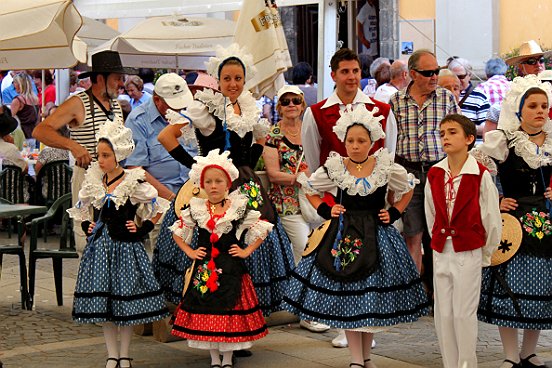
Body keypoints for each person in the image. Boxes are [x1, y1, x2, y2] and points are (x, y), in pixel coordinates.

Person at [156, 44, 295, 320]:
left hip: (245, 184)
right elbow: (166, 137)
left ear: (245, 80)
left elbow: (260, 140)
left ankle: (242, 314)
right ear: (218, 81)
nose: (233, 84)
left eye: (238, 78)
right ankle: (203, 313)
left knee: (251, 236)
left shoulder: (249, 107)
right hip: (212, 186)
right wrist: (197, 166)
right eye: (227, 78)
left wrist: (248, 165)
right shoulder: (205, 108)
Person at [284, 104, 429, 368]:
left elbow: (408, 187)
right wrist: (327, 209)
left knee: (369, 301)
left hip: (377, 236)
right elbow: (309, 187)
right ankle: (355, 360)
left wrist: (394, 212)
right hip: (344, 235)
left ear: (372, 141)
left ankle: (367, 358)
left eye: (361, 140)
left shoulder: (384, 166)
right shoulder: (336, 167)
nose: (355, 145)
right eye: (350, 140)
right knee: (350, 300)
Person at [302, 47, 396, 349]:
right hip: (339, 202)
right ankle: (344, 324)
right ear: (333, 75)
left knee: (370, 263)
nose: (352, 77)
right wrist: (327, 203)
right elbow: (314, 160)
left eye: (356, 71)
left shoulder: (382, 110)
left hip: (370, 201)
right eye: (345, 71)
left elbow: (388, 158)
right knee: (341, 262)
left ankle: (367, 324)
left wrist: (386, 200)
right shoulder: (316, 113)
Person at [67, 118, 170, 368]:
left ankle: (124, 355)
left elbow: (158, 205)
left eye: (105, 155)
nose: (100, 160)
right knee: (105, 307)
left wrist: (142, 227)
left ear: (118, 156)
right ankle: (112, 354)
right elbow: (82, 208)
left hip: (125, 249)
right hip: (101, 249)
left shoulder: (132, 182)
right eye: (98, 155)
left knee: (126, 306)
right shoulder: (94, 181)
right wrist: (86, 225)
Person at [471, 75, 552, 368]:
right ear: (519, 111)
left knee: (541, 288)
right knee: (510, 287)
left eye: (544, 105)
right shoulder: (503, 140)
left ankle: (528, 352)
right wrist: (495, 199)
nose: (540, 111)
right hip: (513, 225)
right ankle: (509, 355)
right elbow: (475, 172)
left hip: (545, 224)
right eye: (533, 106)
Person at [170, 149, 271, 368]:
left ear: (228, 185)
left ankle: (227, 358)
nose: (213, 186)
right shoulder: (197, 208)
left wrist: (245, 251)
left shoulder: (238, 207)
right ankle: (214, 358)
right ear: (202, 185)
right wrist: (190, 252)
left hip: (232, 268)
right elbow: (178, 232)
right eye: (209, 182)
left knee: (230, 314)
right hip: (205, 270)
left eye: (218, 181)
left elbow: (261, 229)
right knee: (207, 311)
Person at [32, 50, 135, 252]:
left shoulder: (115, 104)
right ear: (100, 78)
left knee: (117, 241)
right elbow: (40, 130)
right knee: (87, 239)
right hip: (88, 177)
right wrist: (73, 145)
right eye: (116, 78)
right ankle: (89, 281)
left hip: (115, 180)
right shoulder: (78, 103)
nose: (120, 83)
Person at [424, 114, 501, 368]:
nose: (445, 137)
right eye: (443, 132)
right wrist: (437, 239)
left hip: (469, 249)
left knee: (464, 313)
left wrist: (486, 252)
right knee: (443, 313)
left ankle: (466, 364)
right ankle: (450, 363)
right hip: (441, 249)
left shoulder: (480, 174)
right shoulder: (435, 173)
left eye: (452, 132)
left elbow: (491, 216)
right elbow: (431, 212)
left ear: (469, 139)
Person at [263, 85, 331, 334]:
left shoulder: (311, 130)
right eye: (286, 101)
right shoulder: (273, 135)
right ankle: (306, 311)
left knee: (316, 252)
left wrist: (313, 178)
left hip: (314, 200)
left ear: (302, 105)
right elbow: (272, 174)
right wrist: (297, 178)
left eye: (296, 101)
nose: (291, 105)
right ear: (279, 106)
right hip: (288, 203)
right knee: (304, 251)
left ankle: (313, 305)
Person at [389, 49, 460, 282]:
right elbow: (390, 139)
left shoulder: (446, 98)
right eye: (428, 72)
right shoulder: (396, 101)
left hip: (439, 172)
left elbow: (459, 135)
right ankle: (414, 294)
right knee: (413, 233)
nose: (434, 77)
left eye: (436, 71)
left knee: (440, 233)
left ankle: (437, 288)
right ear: (412, 74)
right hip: (407, 173)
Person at [125, 72, 195, 247]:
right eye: (173, 105)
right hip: (162, 198)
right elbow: (135, 168)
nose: (178, 109)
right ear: (157, 100)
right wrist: (172, 198)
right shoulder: (138, 120)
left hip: (194, 195)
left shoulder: (189, 115)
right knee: (166, 255)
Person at [485, 40, 548, 136]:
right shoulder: (514, 91)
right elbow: (490, 139)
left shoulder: (549, 87)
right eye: (531, 61)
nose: (538, 65)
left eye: (541, 60)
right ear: (521, 67)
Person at [448, 57, 490, 137]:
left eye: (461, 77)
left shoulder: (479, 97)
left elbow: (486, 128)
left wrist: (465, 128)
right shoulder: (445, 95)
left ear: (469, 75)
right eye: (454, 76)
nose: (457, 80)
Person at [11, 73, 40, 146]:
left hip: (22, 137)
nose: (13, 85)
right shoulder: (36, 99)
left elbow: (9, 120)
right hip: (33, 136)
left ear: (19, 84)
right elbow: (38, 120)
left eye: (14, 82)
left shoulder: (18, 100)